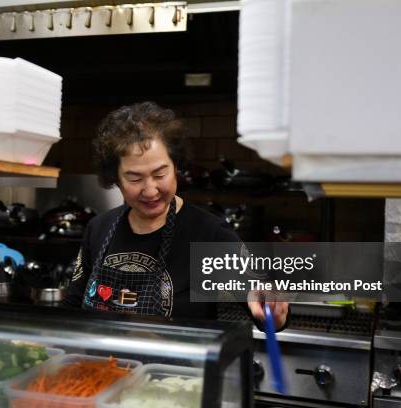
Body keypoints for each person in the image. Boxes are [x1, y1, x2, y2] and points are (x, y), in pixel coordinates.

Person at [63, 101, 289, 329]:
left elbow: (256, 298)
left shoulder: (208, 233)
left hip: (177, 366)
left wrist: (270, 307)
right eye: (134, 178)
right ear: (116, 179)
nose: (150, 190)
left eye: (160, 174)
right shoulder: (98, 228)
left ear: (176, 167)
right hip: (100, 364)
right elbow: (73, 305)